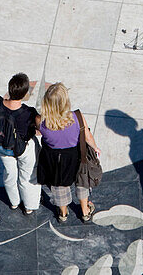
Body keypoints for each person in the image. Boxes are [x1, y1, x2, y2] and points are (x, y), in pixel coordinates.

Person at [36, 83, 99, 223]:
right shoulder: (77, 116)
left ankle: (63, 213)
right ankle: (85, 211)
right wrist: (95, 148)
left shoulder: (41, 120)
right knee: (81, 181)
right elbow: (87, 136)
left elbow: (38, 132)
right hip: (75, 156)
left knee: (59, 185)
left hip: (54, 159)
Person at [0, 73, 40, 215]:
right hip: (22, 148)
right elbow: (36, 130)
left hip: (3, 147)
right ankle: (29, 206)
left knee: (10, 174)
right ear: (25, 94)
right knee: (27, 176)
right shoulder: (28, 113)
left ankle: (14, 202)